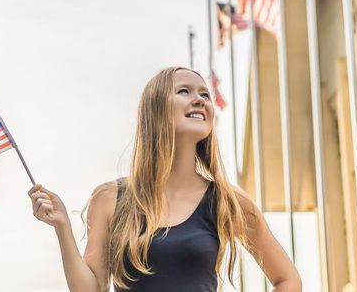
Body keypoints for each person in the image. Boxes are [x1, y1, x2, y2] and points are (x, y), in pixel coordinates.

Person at [28, 67, 301, 291]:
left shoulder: (227, 201)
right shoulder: (111, 199)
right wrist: (62, 227)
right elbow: (93, 288)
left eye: (205, 94)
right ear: (155, 109)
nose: (200, 100)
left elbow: (288, 280)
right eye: (184, 91)